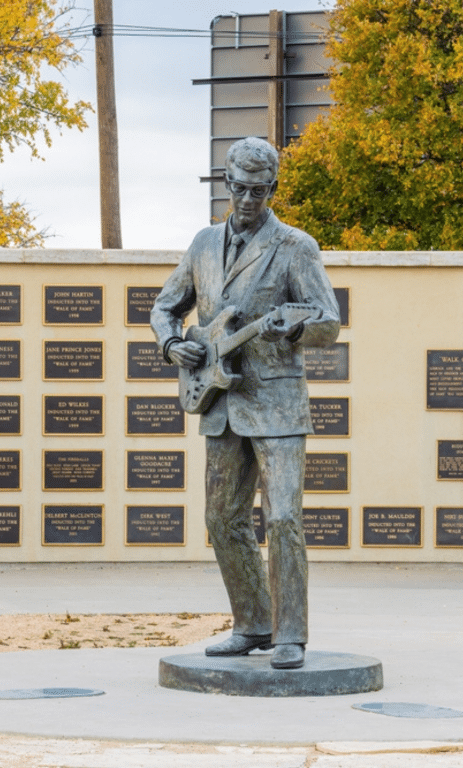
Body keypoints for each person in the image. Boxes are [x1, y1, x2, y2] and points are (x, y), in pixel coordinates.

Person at [151, 137, 340, 670]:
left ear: (273, 188)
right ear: (226, 185)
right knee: (223, 518)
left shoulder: (295, 245)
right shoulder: (203, 244)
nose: (249, 199)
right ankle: (252, 623)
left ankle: (290, 634)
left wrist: (295, 325)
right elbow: (165, 307)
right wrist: (172, 345)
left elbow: (328, 321)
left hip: (277, 402)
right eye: (240, 189)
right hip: (218, 400)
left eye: (260, 190)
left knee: (282, 518)